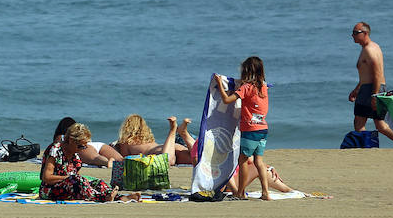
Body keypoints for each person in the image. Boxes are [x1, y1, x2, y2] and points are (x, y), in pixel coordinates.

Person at [215, 57, 293, 200]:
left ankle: (241, 192)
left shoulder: (246, 88)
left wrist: (220, 84)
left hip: (250, 130)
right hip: (263, 129)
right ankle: (265, 192)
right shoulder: (263, 86)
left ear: (247, 71)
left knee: (243, 160)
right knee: (259, 161)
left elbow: (226, 100)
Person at [349, 22, 393, 146]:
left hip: (372, 89)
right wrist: (356, 90)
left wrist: (374, 95)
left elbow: (378, 74)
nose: (352, 35)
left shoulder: (370, 50)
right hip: (369, 88)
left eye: (355, 33)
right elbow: (367, 74)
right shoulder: (368, 48)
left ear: (365, 33)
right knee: (380, 124)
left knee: (359, 122)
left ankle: (365, 148)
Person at [39, 122, 120, 202]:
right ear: (71, 141)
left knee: (97, 183)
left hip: (69, 186)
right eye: (80, 146)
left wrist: (75, 179)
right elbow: (46, 177)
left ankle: (111, 194)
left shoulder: (75, 156)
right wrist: (68, 178)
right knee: (78, 181)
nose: (82, 149)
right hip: (50, 190)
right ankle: (102, 197)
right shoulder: (55, 150)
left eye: (85, 146)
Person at [116, 114, 196, 165]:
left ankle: (172, 131)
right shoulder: (149, 139)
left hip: (163, 151)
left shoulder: (125, 142)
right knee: (198, 158)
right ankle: (184, 133)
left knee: (167, 161)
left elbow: (125, 159)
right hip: (171, 147)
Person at [49, 116, 124, 166]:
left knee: (95, 158)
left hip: (84, 145)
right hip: (98, 144)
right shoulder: (79, 135)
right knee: (122, 161)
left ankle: (107, 162)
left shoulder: (63, 137)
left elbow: (56, 146)